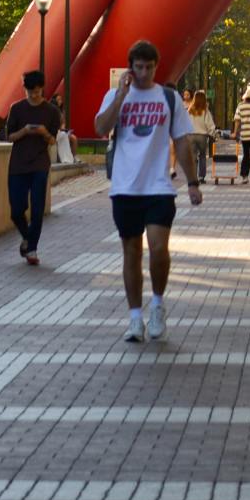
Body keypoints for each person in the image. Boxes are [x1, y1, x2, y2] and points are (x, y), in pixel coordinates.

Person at [95, 40, 202, 342]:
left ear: (156, 67)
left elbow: (182, 140)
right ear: (131, 68)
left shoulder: (168, 98)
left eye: (148, 67)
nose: (143, 73)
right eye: (138, 67)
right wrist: (120, 96)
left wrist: (192, 183)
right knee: (130, 252)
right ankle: (134, 318)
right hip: (125, 187)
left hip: (158, 186)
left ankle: (157, 304)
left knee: (157, 249)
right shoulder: (116, 96)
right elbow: (101, 128)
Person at [0, 70, 61, 265]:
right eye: (30, 92)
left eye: (36, 92)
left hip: (40, 164)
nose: (33, 95)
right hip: (18, 164)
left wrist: (44, 133)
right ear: (25, 90)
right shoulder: (16, 109)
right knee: (16, 210)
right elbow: (9, 137)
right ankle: (27, 238)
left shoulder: (52, 112)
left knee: (37, 209)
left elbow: (52, 141)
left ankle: (32, 249)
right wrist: (25, 131)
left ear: (42, 89)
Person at [177, 88, 217, 180]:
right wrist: (213, 134)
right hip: (202, 136)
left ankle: (193, 176)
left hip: (191, 135)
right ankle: (201, 176)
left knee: (193, 157)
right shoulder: (205, 111)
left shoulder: (190, 110)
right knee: (202, 156)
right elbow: (209, 124)